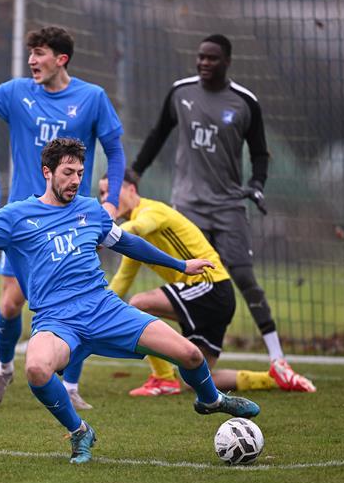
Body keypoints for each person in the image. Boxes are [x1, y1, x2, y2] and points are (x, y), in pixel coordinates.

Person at [0, 138, 260, 464]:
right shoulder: (17, 216)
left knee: (190, 355)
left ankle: (210, 400)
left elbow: (128, 243)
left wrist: (180, 265)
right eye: (68, 172)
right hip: (56, 319)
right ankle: (79, 432)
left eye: (80, 173)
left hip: (104, 308)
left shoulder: (91, 210)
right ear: (47, 172)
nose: (75, 180)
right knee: (36, 368)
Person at [0, 26, 127, 406]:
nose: (31, 60)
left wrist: (111, 201)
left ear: (61, 59)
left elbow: (115, 150)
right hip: (25, 221)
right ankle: (4, 368)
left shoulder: (92, 97)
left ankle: (71, 386)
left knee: (79, 301)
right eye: (30, 53)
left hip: (73, 220)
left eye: (39, 53)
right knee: (10, 304)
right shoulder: (16, 93)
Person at [130, 34, 314, 392]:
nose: (204, 63)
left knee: (242, 276)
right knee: (189, 280)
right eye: (200, 56)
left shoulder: (245, 102)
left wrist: (257, 183)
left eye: (211, 58)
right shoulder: (180, 92)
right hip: (187, 208)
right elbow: (157, 134)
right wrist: (135, 173)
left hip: (228, 206)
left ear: (227, 61)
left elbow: (260, 153)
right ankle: (173, 367)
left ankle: (278, 359)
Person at [62, 171, 315, 407]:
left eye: (110, 191)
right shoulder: (134, 243)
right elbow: (120, 282)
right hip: (214, 298)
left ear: (131, 189)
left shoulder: (151, 211)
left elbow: (138, 228)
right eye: (102, 193)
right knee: (195, 376)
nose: (106, 198)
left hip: (210, 285)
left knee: (139, 303)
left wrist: (98, 232)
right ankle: (271, 379)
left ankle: (163, 379)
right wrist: (89, 313)